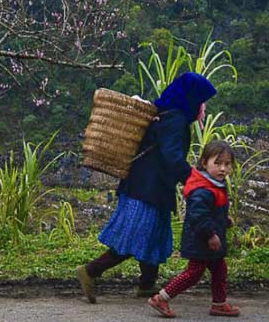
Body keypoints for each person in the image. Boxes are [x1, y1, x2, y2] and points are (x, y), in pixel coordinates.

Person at [76, 72, 217, 303]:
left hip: (149, 186)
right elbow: (172, 157)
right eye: (201, 100)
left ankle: (147, 284)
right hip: (146, 188)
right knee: (135, 236)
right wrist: (195, 180)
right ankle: (90, 271)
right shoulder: (175, 119)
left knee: (153, 236)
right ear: (191, 98)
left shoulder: (167, 113)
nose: (203, 107)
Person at [148, 139, 240, 318]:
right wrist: (210, 234)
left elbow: (210, 211)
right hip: (201, 241)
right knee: (194, 273)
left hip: (208, 239)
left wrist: (223, 220)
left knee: (220, 269)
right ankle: (161, 298)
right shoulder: (202, 189)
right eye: (218, 163)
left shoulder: (213, 185)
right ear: (204, 163)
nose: (223, 169)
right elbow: (198, 216)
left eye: (227, 164)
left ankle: (219, 303)